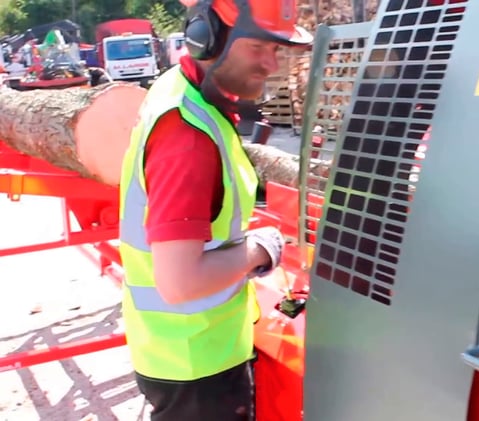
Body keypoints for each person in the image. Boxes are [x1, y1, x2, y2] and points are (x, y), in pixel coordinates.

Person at [117, 0, 313, 420]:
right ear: (206, 37)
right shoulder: (187, 137)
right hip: (197, 365)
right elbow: (180, 281)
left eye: (277, 50)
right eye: (258, 47)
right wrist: (261, 249)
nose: (270, 64)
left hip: (177, 351)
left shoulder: (181, 90)